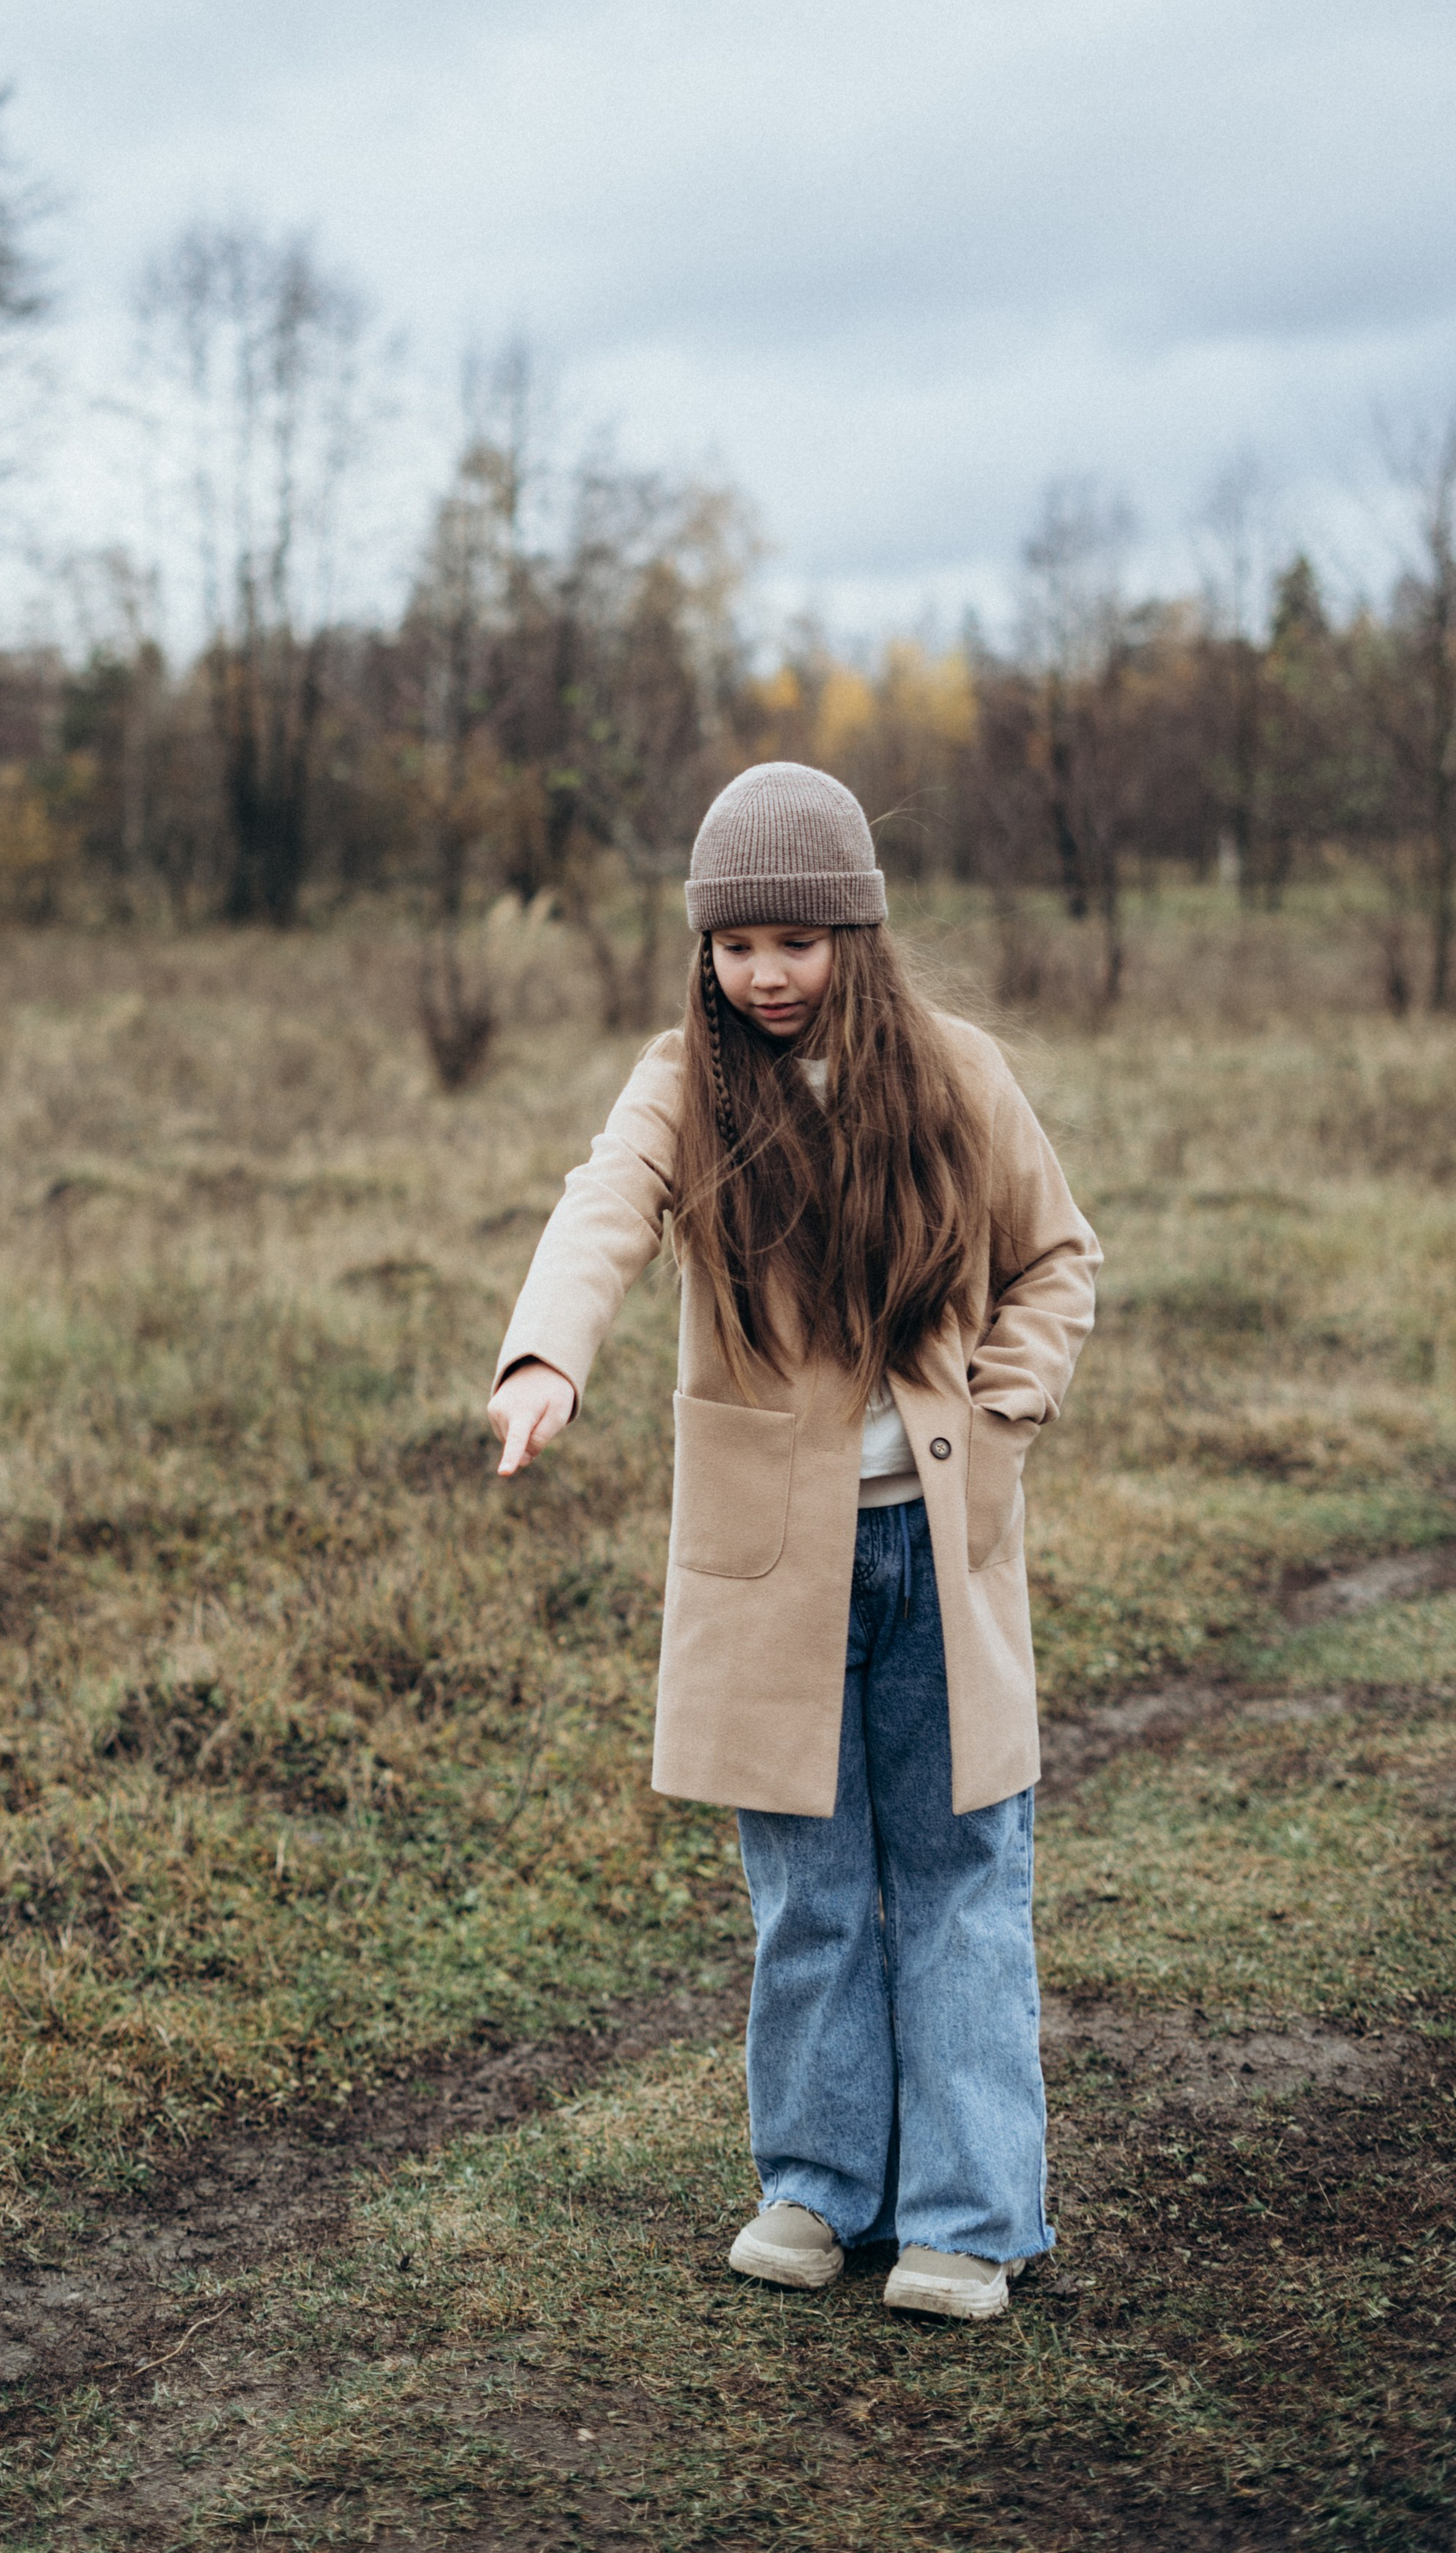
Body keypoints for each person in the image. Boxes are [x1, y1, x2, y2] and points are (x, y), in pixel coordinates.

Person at [488, 762, 1100, 2320]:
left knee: (961, 1876)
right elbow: (601, 1211)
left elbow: (1054, 1261)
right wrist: (547, 1356)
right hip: (774, 1571)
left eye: (793, 942)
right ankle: (817, 2191)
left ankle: (966, 2220)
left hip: (930, 1557)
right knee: (809, 1890)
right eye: (732, 944)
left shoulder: (958, 1075)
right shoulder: (681, 1086)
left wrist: (1002, 1412)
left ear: (855, 938)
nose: (760, 976)